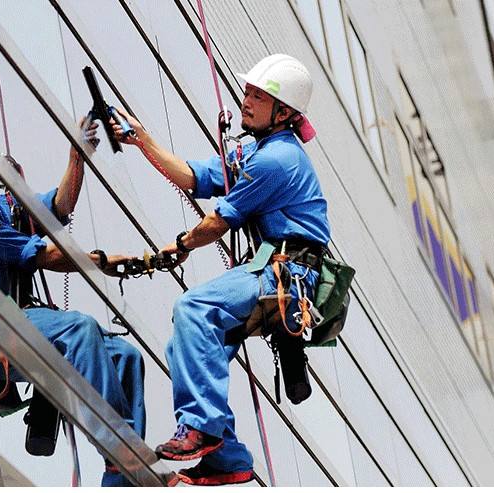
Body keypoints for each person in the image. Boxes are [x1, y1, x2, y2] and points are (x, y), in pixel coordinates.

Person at [111, 53, 330, 486]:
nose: (246, 101)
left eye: (258, 97)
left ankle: (203, 429)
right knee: (184, 348)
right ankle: (227, 458)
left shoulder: (278, 160)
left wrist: (180, 246)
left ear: (282, 113)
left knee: (194, 309)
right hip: (273, 265)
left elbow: (218, 221)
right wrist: (144, 141)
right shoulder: (256, 150)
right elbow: (194, 177)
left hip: (288, 271)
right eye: (247, 92)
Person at [0, 122, 146, 487]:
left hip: (22, 321)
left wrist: (77, 157)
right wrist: (101, 261)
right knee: (79, 328)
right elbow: (44, 256)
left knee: (125, 355)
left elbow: (56, 208)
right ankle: (121, 448)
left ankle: (120, 472)